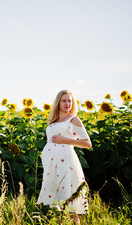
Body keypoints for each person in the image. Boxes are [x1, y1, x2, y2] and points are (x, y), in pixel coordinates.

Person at [37, 90, 92, 223]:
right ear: (58, 102)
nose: (67, 103)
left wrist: (65, 140)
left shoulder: (74, 120)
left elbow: (87, 143)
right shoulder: (54, 120)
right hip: (52, 165)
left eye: (70, 101)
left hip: (66, 163)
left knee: (69, 203)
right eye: (64, 100)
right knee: (59, 205)